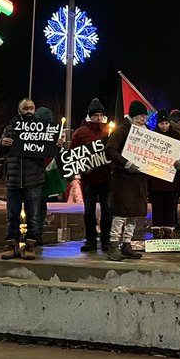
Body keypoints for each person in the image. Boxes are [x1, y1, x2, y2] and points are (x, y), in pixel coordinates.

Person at [0, 98, 48, 261]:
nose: (29, 110)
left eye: (31, 107)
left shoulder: (42, 130)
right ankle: (12, 245)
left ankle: (30, 245)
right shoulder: (10, 129)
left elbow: (49, 150)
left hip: (33, 180)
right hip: (14, 180)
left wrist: (56, 144)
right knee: (12, 215)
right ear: (19, 110)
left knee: (33, 215)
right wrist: (2, 143)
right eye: (25, 108)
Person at [104, 101, 149, 262]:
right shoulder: (123, 129)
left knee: (134, 214)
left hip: (139, 180)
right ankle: (114, 245)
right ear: (132, 115)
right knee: (121, 214)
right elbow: (110, 149)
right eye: (139, 115)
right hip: (124, 179)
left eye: (144, 115)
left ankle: (127, 244)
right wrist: (126, 163)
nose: (142, 118)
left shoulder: (146, 132)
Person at [71, 98, 113, 252]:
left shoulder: (108, 132)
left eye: (101, 115)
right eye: (95, 115)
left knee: (107, 210)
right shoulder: (80, 133)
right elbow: (73, 155)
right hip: (89, 179)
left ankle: (106, 239)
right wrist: (82, 169)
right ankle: (90, 240)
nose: (98, 117)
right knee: (89, 211)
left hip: (106, 178)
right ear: (90, 116)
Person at [148, 110, 180, 239]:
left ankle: (169, 232)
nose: (164, 126)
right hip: (156, 179)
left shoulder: (177, 137)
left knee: (169, 207)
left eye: (166, 123)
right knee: (157, 207)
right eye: (161, 123)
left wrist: (179, 162)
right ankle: (157, 232)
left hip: (172, 180)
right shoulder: (151, 137)